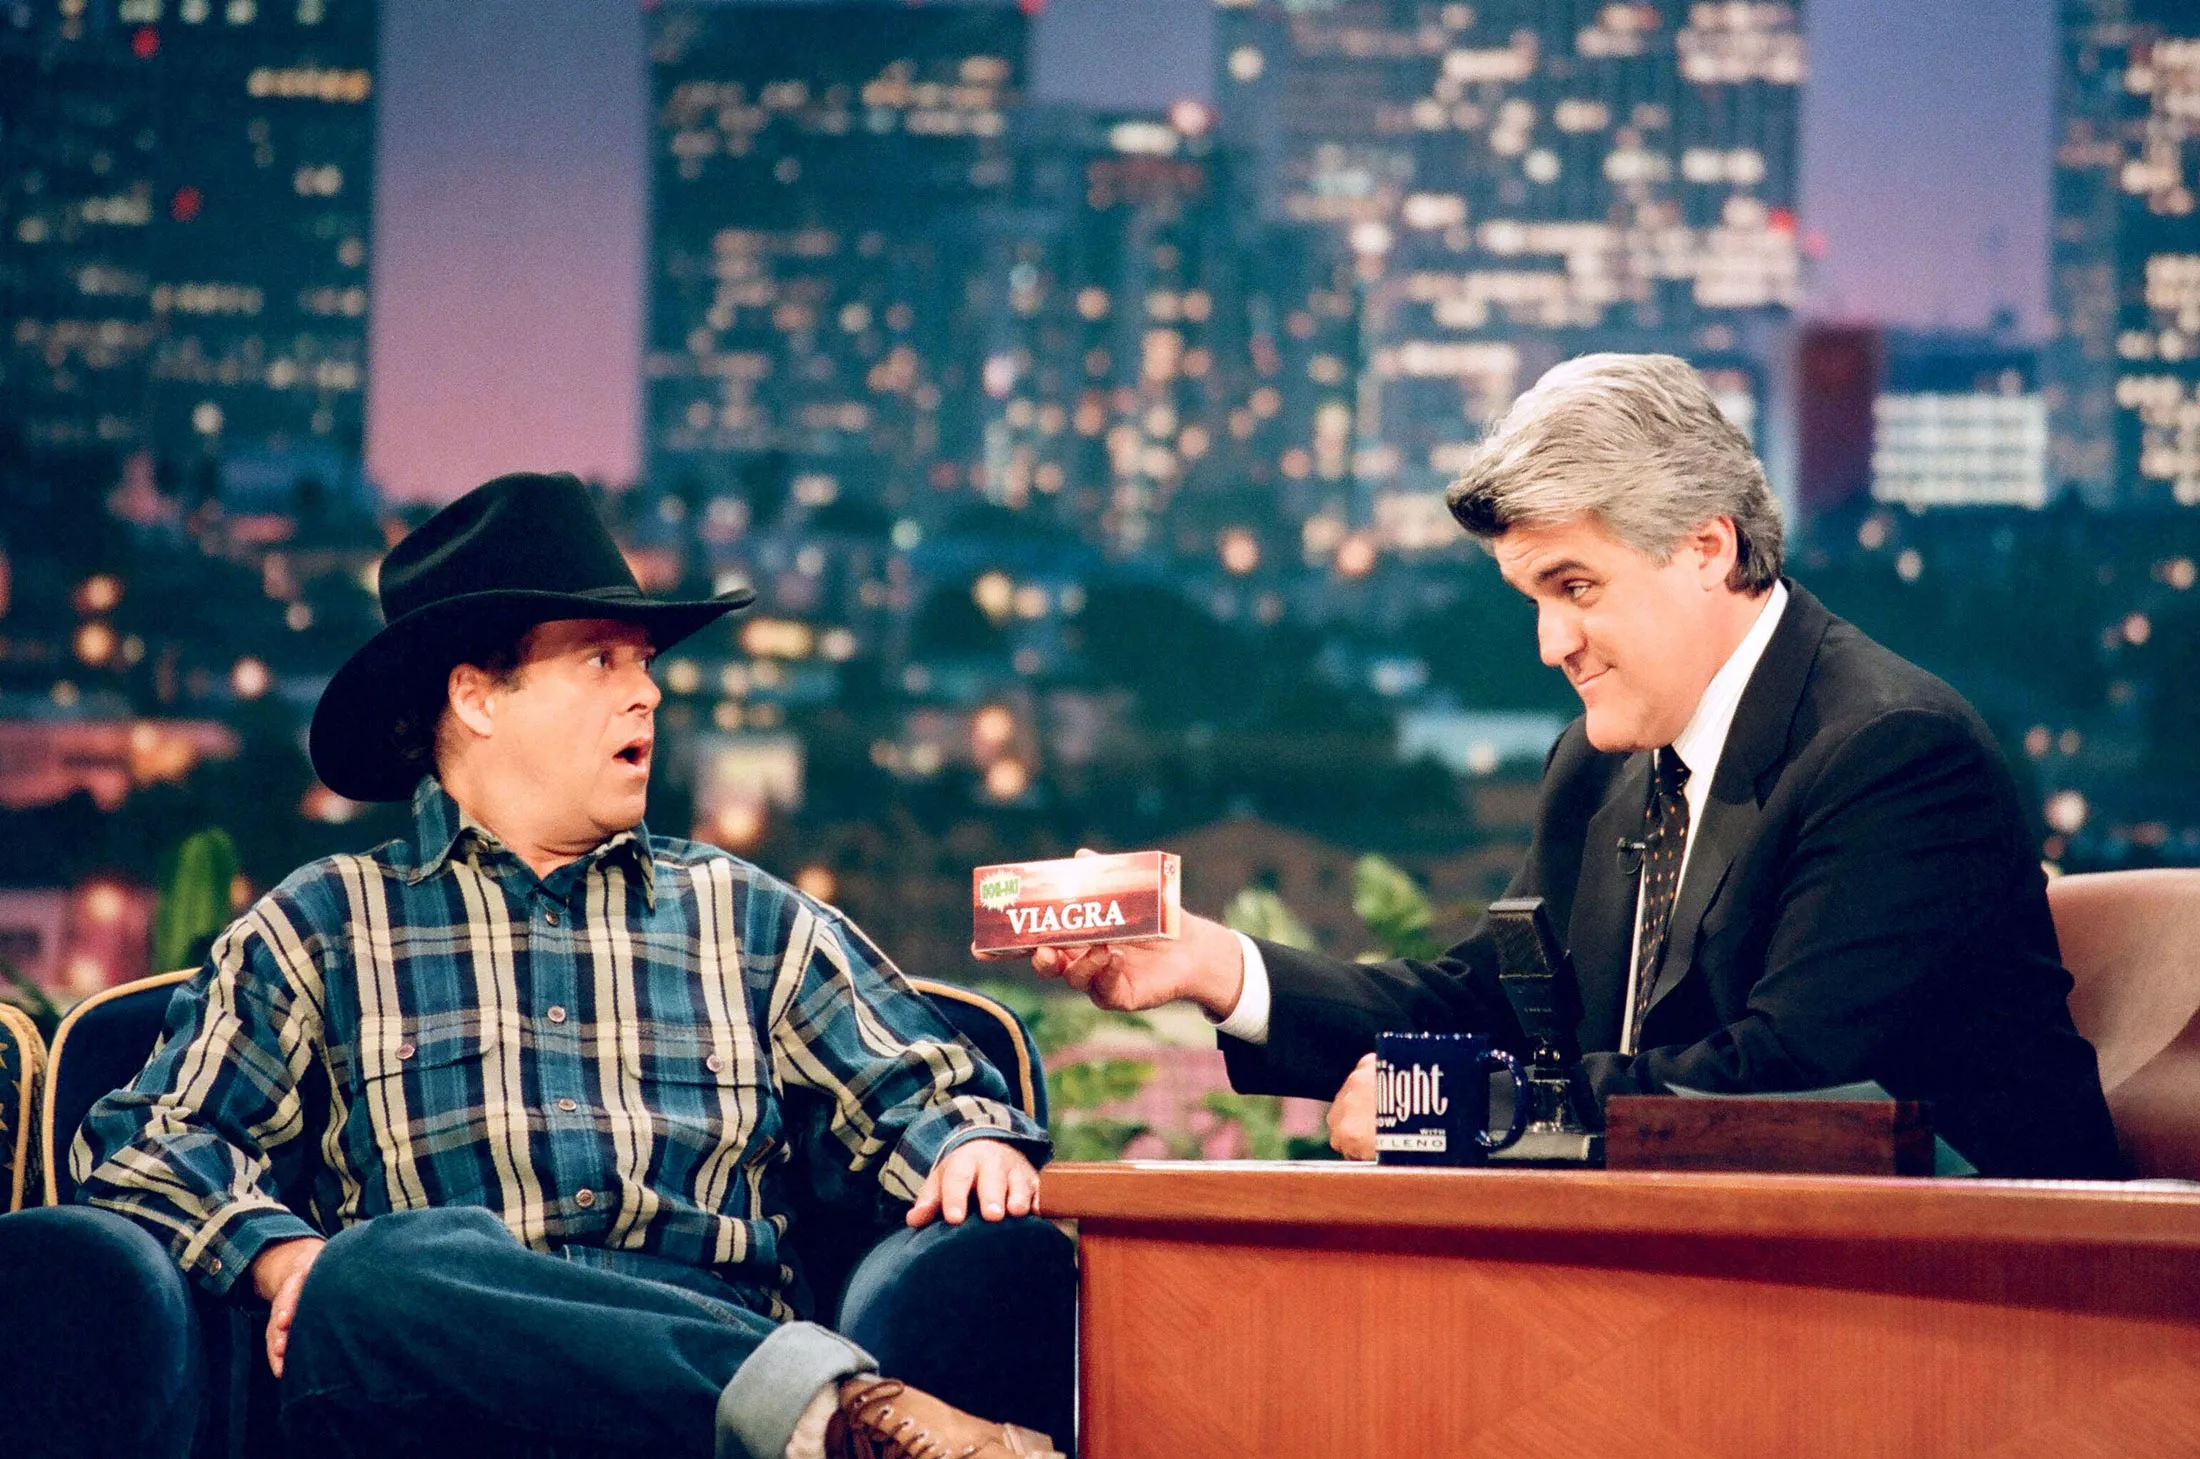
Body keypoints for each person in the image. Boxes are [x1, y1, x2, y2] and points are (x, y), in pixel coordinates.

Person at [74, 473, 1060, 1459]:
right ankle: (829, 1416)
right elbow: (139, 1141)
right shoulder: (324, 925)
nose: (647, 689)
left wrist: (966, 1143)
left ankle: (797, 1408)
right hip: (443, 1400)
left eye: (642, 662)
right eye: (599, 659)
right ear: (476, 697)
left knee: (373, 1278)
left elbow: (928, 1087)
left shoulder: (745, 916)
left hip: (704, 1416)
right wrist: (282, 1258)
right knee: (368, 1276)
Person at [1026, 353, 2119, 1181]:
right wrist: (1213, 964)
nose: (1552, 646)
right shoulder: (1605, 764)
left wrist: (1437, 1107)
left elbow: (1784, 1088)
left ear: (1706, 548)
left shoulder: (1890, 756)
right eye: (1534, 600)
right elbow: (1493, 1008)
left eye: (1576, 588)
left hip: (1989, 1301)